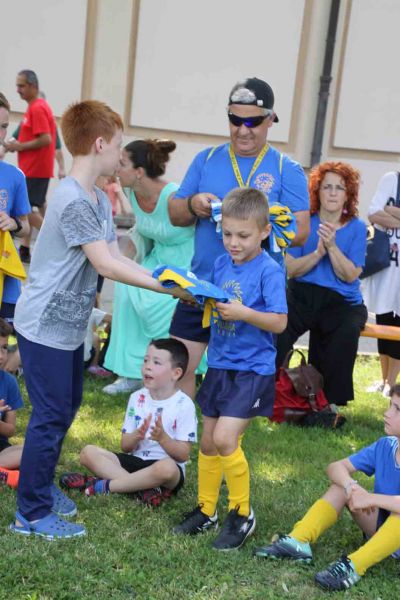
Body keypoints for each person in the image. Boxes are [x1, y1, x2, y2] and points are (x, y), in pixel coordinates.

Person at [11, 100, 193, 541]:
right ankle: (30, 513)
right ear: (98, 144)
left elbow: (114, 255)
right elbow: (107, 267)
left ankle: (39, 485)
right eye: (116, 145)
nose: (119, 155)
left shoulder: (96, 198)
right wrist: (168, 288)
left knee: (66, 407)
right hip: (45, 328)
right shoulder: (72, 197)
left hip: (69, 328)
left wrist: (171, 278)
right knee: (51, 415)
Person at [168, 77, 309, 399]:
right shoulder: (206, 158)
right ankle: (178, 445)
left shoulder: (287, 168)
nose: (243, 130)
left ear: (271, 120)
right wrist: (193, 204)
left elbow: (301, 232)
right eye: (235, 120)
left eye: (253, 122)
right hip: (201, 285)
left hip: (251, 298)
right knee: (178, 370)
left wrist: (265, 217)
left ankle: (223, 445)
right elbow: (176, 214)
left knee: (236, 384)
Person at [173, 188, 287, 551]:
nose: (233, 243)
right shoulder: (222, 263)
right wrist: (195, 293)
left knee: (225, 439)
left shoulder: (270, 270)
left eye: (244, 235)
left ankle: (242, 513)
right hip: (220, 363)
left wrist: (244, 313)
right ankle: (207, 510)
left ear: (264, 232)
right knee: (208, 442)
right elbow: (214, 296)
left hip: (252, 370)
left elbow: (280, 322)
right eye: (227, 235)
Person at [255, 384, 400, 593]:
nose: (387, 413)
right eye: (390, 405)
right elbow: (335, 467)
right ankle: (299, 540)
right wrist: (351, 486)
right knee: (341, 486)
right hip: (382, 530)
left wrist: (371, 498)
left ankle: (354, 565)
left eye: (397, 409)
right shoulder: (385, 445)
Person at [103, 139, 194, 395]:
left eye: (122, 164)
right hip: (157, 261)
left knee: (164, 303)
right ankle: (130, 373)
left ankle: (171, 371)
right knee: (126, 290)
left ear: (139, 171)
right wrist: (125, 262)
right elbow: (142, 235)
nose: (116, 168)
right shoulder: (132, 193)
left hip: (187, 263)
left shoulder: (174, 196)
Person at [276, 161, 368, 407]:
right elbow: (292, 270)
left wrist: (332, 247)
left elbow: (350, 275)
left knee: (345, 332)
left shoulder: (357, 228)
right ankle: (269, 390)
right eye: (327, 187)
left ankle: (331, 403)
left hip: (342, 301)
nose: (333, 193)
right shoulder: (304, 223)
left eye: (339, 188)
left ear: (348, 194)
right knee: (276, 326)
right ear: (316, 191)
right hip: (302, 294)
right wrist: (317, 253)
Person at [61, 339, 196, 502]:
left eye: (157, 362)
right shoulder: (136, 397)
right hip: (136, 461)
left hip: (165, 470)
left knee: (166, 468)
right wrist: (136, 435)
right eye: (146, 360)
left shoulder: (184, 404)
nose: (148, 366)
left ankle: (103, 485)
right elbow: (125, 446)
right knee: (88, 453)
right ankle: (143, 491)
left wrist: (163, 438)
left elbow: (183, 455)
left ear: (176, 373)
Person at [4, 70, 56, 263]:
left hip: (36, 169)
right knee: (33, 208)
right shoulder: (33, 107)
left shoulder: (38, 108)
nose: (18, 90)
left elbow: (46, 139)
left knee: (25, 211)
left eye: (22, 86)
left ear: (33, 86)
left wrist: (19, 146)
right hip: (33, 168)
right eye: (17, 85)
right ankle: (26, 249)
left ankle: (55, 242)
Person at [363, 171, 400, 396]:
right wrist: (385, 212)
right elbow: (373, 214)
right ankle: (384, 379)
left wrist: (392, 211)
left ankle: (391, 382)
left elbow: (383, 212)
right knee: (384, 320)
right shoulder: (391, 179)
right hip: (387, 267)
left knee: (399, 324)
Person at [0, 93, 31, 326]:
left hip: (6, 284)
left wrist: (14, 224)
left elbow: (26, 227)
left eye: (3, 127)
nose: (0, 134)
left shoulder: (14, 176)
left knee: (5, 354)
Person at [0, 317, 24, 489]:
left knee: (36, 450)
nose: (1, 356)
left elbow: (10, 430)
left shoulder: (9, 382)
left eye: (4, 348)